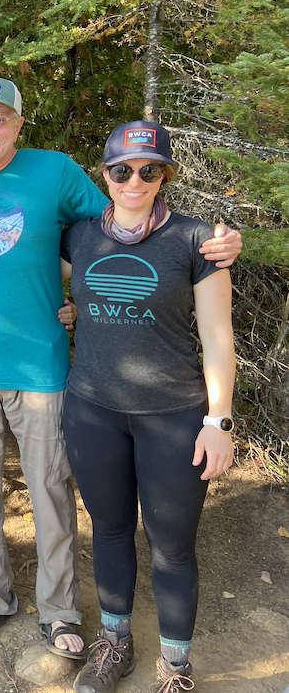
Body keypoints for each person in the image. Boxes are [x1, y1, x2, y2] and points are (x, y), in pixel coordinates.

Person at [0, 77, 242, 656]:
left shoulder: (55, 172)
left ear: (19, 125)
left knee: (49, 490)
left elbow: (124, 229)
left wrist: (214, 245)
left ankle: (60, 610)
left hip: (44, 364)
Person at [61, 122, 235, 693]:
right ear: (104, 175)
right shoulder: (79, 237)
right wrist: (70, 314)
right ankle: (114, 644)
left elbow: (217, 336)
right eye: (122, 170)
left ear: (165, 176)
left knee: (172, 546)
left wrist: (218, 421)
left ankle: (176, 668)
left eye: (150, 170)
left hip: (174, 414)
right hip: (92, 409)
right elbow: (47, 284)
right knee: (108, 530)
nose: (135, 181)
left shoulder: (197, 241)